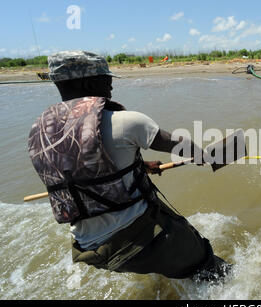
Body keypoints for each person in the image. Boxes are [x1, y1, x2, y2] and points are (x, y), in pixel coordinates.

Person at [28, 51, 231, 282]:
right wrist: (206, 156)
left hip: (90, 249)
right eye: (108, 81)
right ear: (88, 82)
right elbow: (183, 147)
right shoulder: (126, 121)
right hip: (138, 235)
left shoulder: (40, 133)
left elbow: (87, 170)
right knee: (211, 267)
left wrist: (141, 165)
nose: (111, 89)